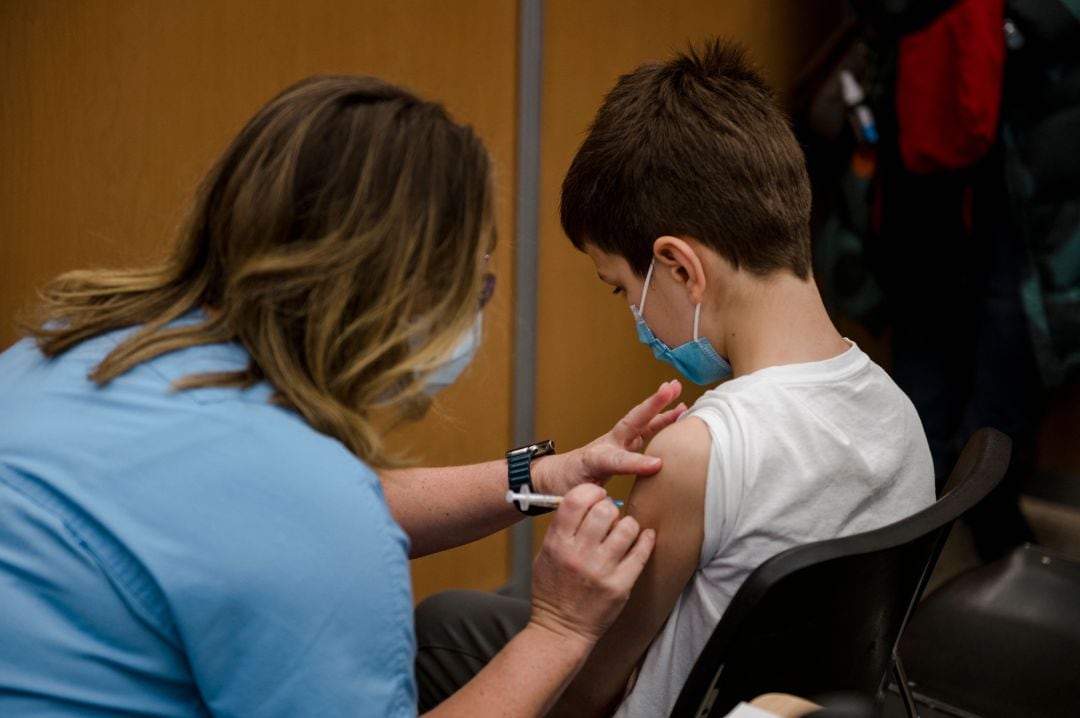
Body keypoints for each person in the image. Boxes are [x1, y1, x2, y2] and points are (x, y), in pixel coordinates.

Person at [0, 75, 688, 717]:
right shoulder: (307, 513)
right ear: (404, 293)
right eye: (473, 289)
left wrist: (539, 478)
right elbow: (297, 520)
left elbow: (246, 513)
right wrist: (560, 628)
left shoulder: (75, 350)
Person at [414, 40, 935, 717]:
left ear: (680, 267)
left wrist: (561, 606)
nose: (634, 315)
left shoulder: (698, 452)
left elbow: (588, 694)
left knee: (439, 628)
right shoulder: (900, 413)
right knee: (456, 617)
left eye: (620, 289)